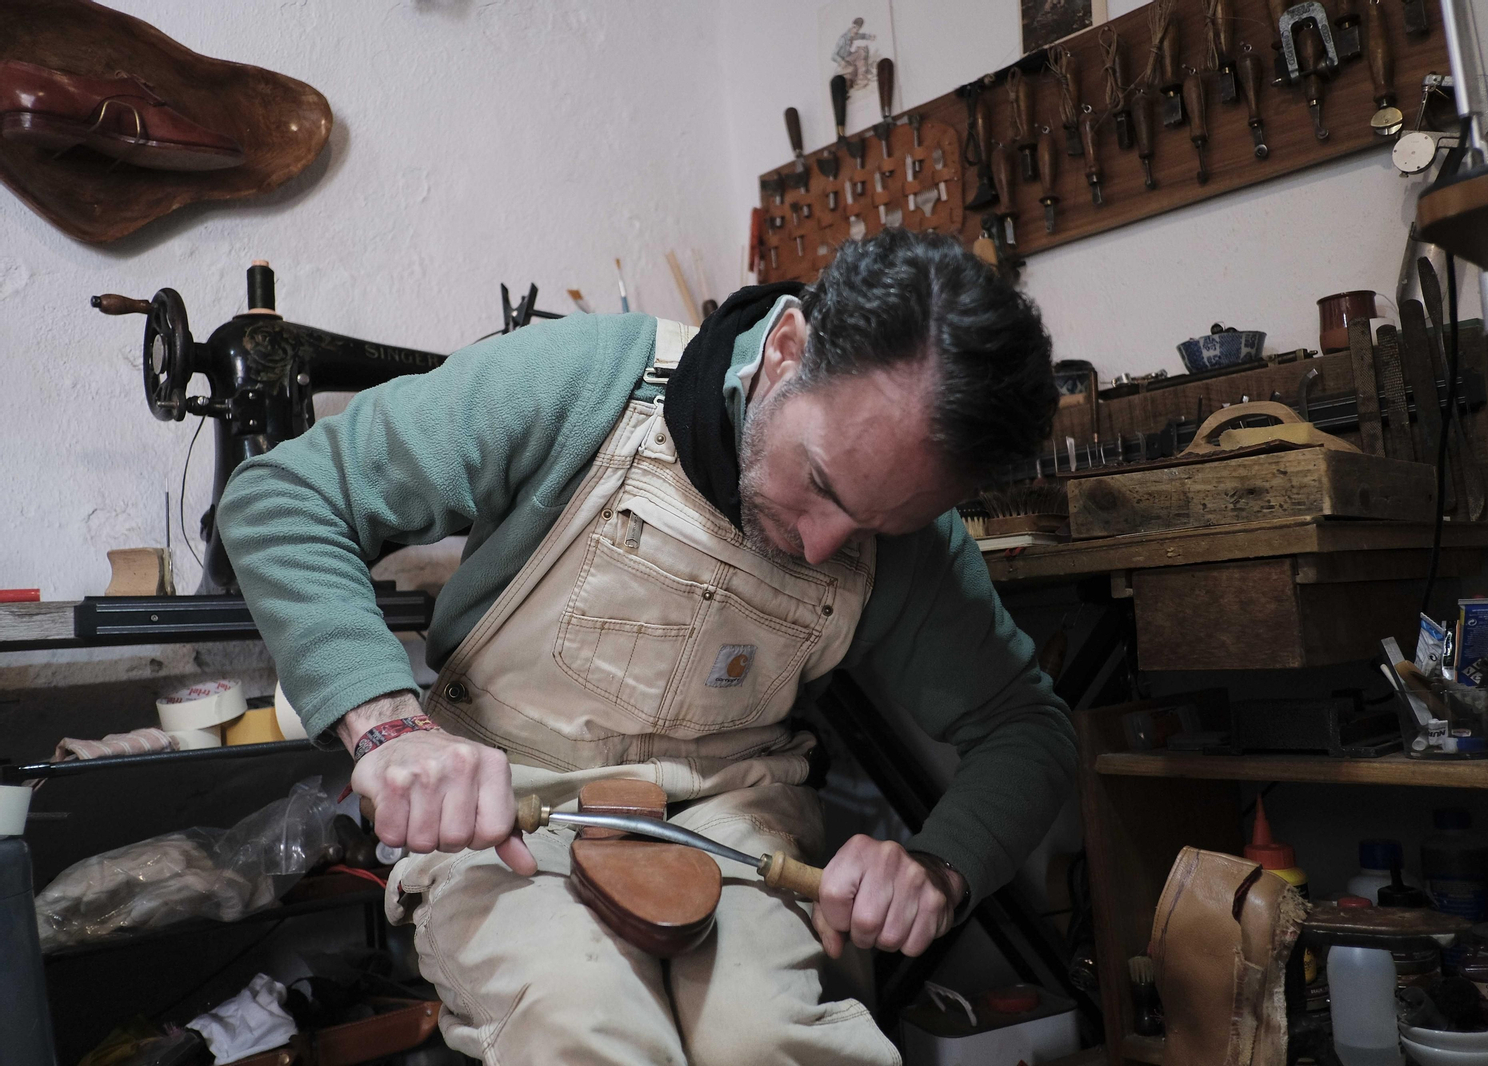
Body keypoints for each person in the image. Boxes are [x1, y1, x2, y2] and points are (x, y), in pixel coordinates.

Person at [218, 229, 1076, 1065]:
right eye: (819, 483)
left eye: (874, 526)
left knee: (767, 1040)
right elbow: (284, 496)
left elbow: (1026, 728)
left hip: (737, 824)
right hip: (510, 813)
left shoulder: (914, 541)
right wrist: (388, 726)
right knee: (586, 1023)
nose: (823, 545)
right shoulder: (584, 381)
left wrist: (940, 866)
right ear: (786, 351)